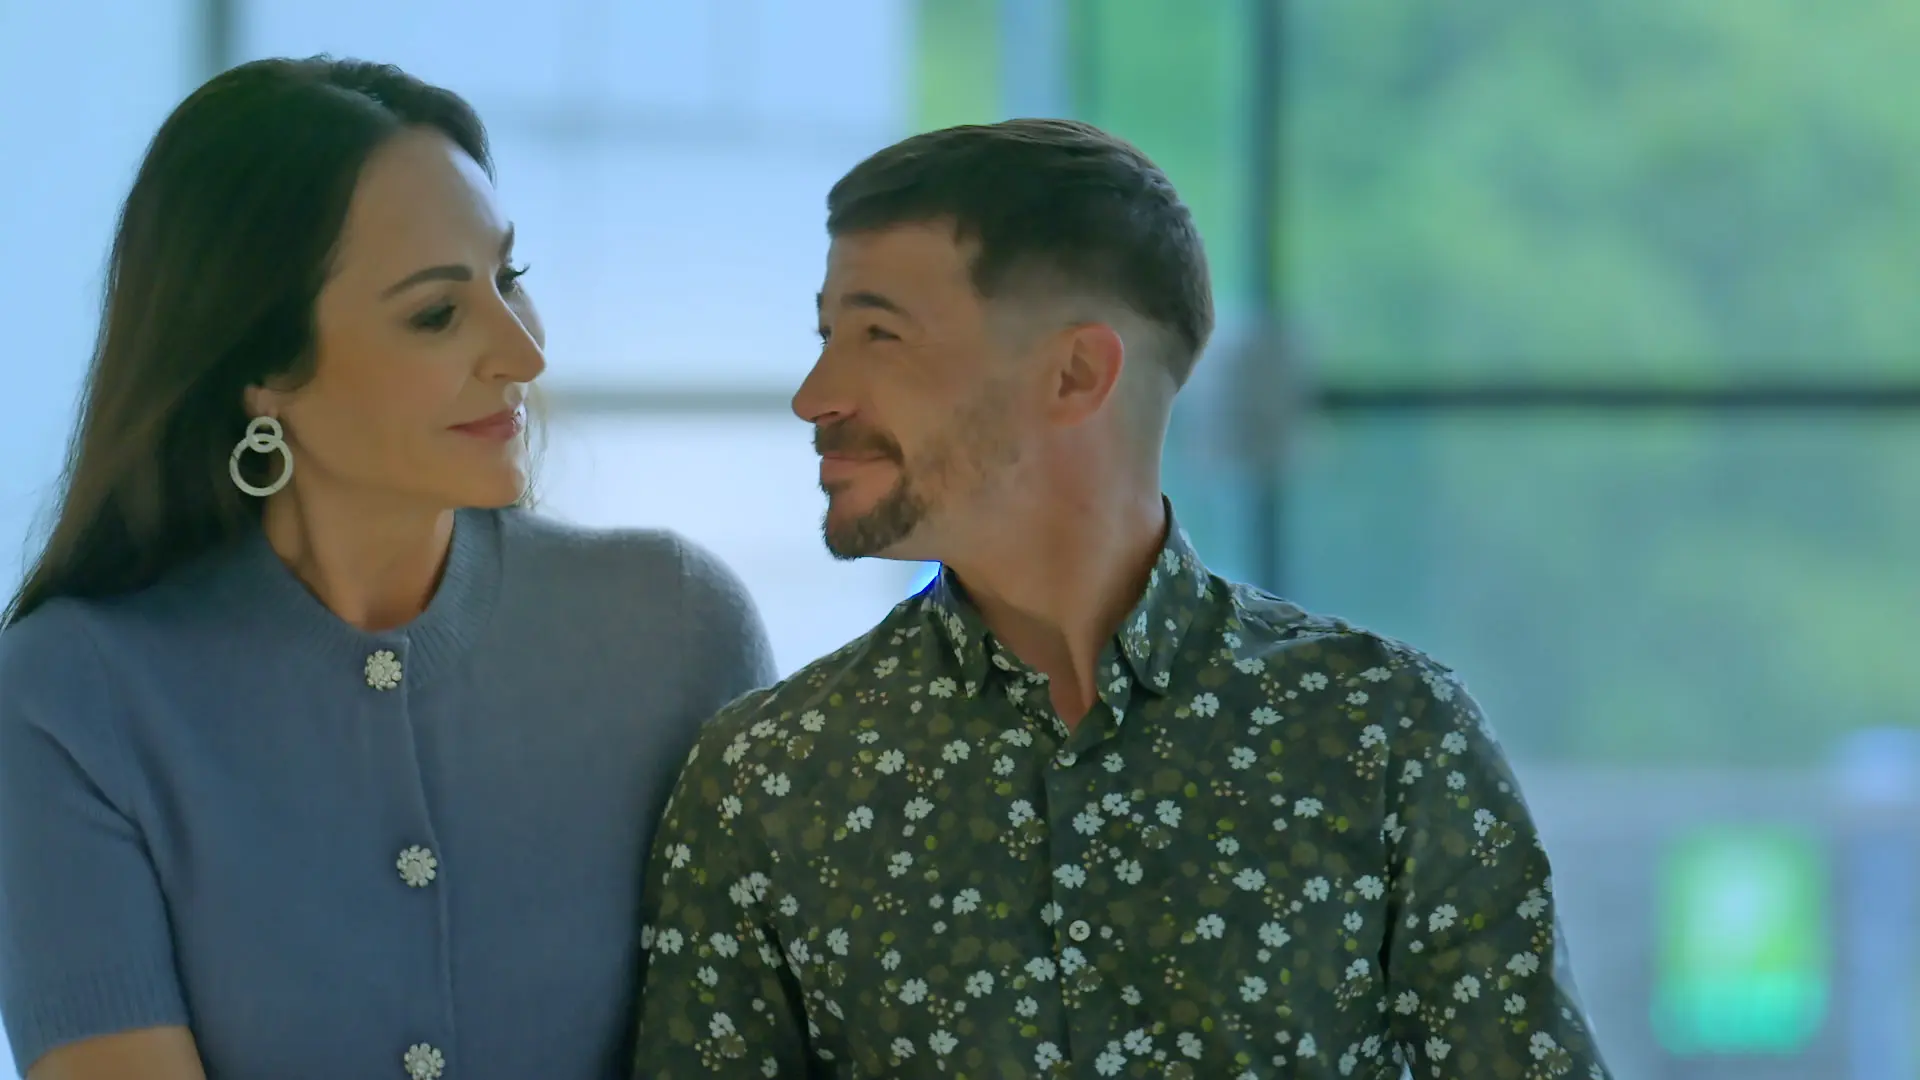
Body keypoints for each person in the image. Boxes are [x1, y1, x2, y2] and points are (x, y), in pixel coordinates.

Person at [632, 119, 1612, 1079]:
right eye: (825, 335)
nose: (816, 394)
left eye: (879, 336)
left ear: (1075, 374)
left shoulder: (1384, 735)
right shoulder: (769, 779)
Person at [0, 57, 774, 1080]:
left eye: (511, 278)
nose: (523, 354)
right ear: (263, 370)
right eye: (436, 314)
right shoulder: (72, 698)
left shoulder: (673, 630)